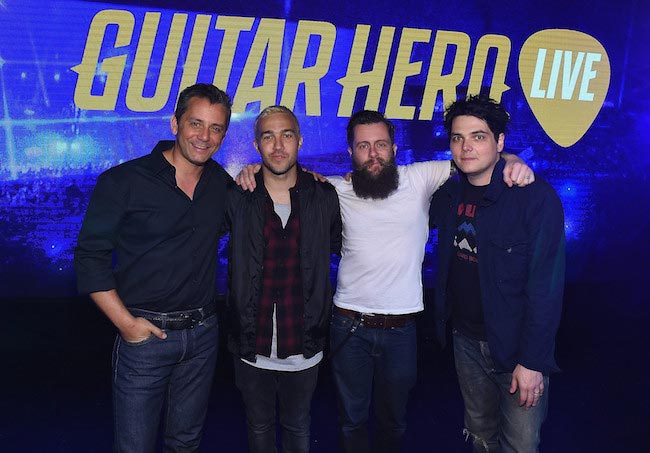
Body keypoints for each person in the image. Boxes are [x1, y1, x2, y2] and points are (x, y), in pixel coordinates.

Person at [237, 109, 534, 453]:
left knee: (395, 422)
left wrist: (512, 158)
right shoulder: (334, 189)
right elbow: (283, 174)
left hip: (402, 329)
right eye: (363, 146)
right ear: (351, 152)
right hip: (347, 326)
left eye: (381, 144)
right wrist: (253, 168)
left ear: (394, 148)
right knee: (351, 420)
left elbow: (476, 159)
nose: (373, 153)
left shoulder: (421, 176)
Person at [74, 83, 234, 452]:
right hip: (145, 337)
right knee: (135, 447)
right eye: (196, 123)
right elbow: (89, 257)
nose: (204, 136)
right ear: (175, 123)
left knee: (186, 443)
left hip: (203, 335)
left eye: (215, 128)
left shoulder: (221, 184)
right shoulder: (123, 181)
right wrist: (127, 326)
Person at [429, 95, 565, 452]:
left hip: (517, 349)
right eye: (458, 137)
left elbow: (546, 290)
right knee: (481, 437)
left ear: (500, 141)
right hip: (465, 342)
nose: (466, 146)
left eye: (479, 136)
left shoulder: (534, 198)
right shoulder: (447, 194)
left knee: (519, 445)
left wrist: (533, 362)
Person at [224, 105, 342, 453]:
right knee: (258, 427)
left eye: (286, 135)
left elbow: (340, 246)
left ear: (300, 141)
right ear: (257, 145)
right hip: (250, 344)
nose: (278, 145)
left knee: (298, 426)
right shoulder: (237, 195)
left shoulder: (324, 196)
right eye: (268, 136)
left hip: (305, 343)